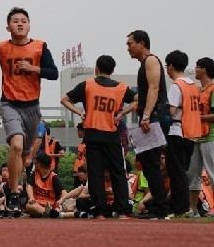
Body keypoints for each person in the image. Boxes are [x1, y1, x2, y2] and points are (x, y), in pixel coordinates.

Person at [0, 7, 58, 214]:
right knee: (16, 145)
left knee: (24, 156)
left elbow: (53, 73)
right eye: (15, 21)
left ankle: (16, 188)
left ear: (29, 26)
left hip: (32, 107)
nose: (20, 24)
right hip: (9, 104)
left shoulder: (40, 46)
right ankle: (15, 194)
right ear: (8, 27)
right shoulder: (1, 47)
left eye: (23, 21)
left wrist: (33, 68)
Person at [61, 55, 137, 219]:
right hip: (112, 135)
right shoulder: (121, 87)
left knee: (95, 173)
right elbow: (138, 99)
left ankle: (100, 211)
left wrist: (80, 112)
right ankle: (123, 211)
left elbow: (65, 100)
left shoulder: (87, 85)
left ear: (96, 69)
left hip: (92, 134)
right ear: (113, 70)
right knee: (118, 172)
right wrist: (122, 113)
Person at [125, 30, 170, 220]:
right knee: (147, 164)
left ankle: (161, 211)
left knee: (151, 163)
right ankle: (158, 209)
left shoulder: (151, 60)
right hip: (151, 116)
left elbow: (154, 87)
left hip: (154, 116)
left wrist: (146, 116)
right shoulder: (144, 63)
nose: (128, 48)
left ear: (141, 43)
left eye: (130, 44)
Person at [163, 50, 201, 217]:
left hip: (177, 131)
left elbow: (171, 112)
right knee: (182, 171)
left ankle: (181, 208)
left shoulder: (176, 85)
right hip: (191, 133)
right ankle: (183, 207)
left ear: (171, 66)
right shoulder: (192, 85)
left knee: (176, 172)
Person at [186, 57, 214, 216]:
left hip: (210, 136)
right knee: (192, 174)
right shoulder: (197, 90)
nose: (194, 69)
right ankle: (193, 209)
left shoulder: (212, 89)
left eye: (197, 67)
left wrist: (196, 117)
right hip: (196, 136)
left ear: (204, 69)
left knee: (212, 173)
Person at [23, 152, 63, 217]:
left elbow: (63, 192)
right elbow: (29, 186)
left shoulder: (54, 178)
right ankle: (48, 214)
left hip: (50, 205)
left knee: (31, 208)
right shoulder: (35, 175)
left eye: (35, 162)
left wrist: (61, 201)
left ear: (38, 164)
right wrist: (31, 197)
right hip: (36, 204)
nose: (34, 164)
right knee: (29, 205)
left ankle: (48, 213)